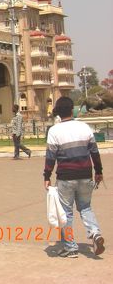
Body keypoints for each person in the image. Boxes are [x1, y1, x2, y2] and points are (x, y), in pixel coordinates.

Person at [44, 96, 105, 258]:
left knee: (66, 212)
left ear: (58, 112)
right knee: (85, 207)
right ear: (72, 110)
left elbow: (50, 157)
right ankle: (95, 232)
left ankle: (70, 247)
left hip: (65, 177)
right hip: (85, 175)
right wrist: (98, 172)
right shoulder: (84, 127)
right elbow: (94, 152)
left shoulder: (54, 131)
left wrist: (46, 175)